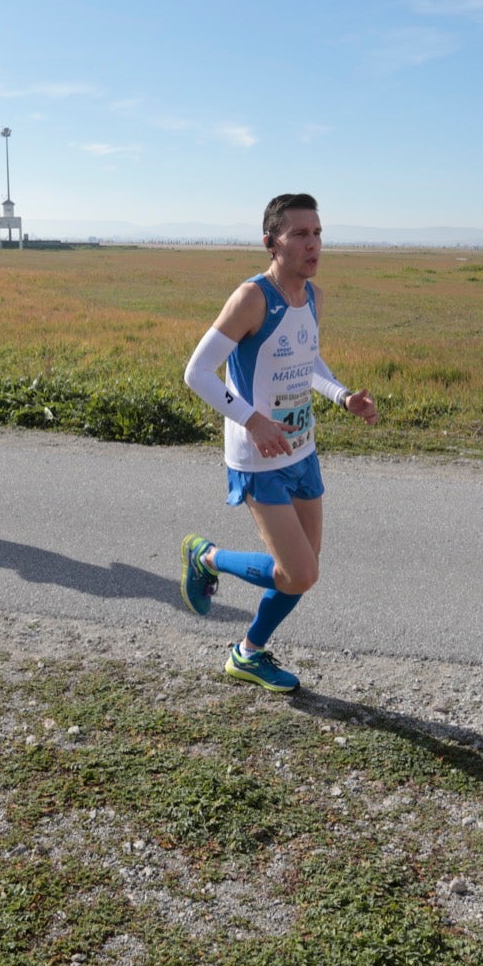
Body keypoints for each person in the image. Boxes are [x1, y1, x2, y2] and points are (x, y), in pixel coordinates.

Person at [178, 193, 379, 693]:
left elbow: (307, 361)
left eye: (318, 233)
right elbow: (197, 373)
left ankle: (248, 654)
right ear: (271, 243)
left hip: (302, 450)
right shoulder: (252, 298)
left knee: (300, 574)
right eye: (300, 234)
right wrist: (252, 421)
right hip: (259, 457)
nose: (313, 245)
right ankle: (205, 558)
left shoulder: (312, 296)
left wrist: (342, 397)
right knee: (301, 573)